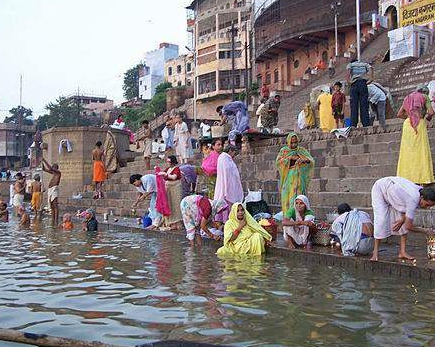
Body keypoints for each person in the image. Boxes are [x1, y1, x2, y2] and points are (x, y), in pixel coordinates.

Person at [370, 176, 435, 261]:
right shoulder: (413, 199)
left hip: (394, 194)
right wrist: (426, 231)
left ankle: (402, 252)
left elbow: (405, 205)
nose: (426, 208)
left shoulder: (420, 192)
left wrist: (402, 220)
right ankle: (375, 253)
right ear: (422, 197)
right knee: (381, 220)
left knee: (402, 221)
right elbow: (408, 226)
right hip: (380, 189)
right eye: (426, 205)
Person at [396, 84, 435, 185]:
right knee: (421, 151)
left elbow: (399, 114)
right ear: (425, 92)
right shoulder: (424, 97)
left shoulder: (408, 98)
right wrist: (426, 119)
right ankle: (422, 177)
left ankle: (407, 177)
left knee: (407, 151)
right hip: (419, 125)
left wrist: (411, 117)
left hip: (408, 125)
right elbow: (431, 112)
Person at [276, 132, 314, 217]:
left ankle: (299, 217)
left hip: (299, 178)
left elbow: (310, 160)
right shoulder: (284, 151)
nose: (294, 144)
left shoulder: (301, 150)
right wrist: (290, 158)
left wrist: (303, 160)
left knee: (298, 197)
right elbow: (278, 162)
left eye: (295, 142)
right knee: (288, 197)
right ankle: (288, 217)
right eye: (292, 142)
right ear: (288, 142)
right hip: (288, 178)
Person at [214, 145, 244, 222]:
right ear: (230, 150)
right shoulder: (224, 158)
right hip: (227, 187)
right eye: (234, 153)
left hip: (227, 186)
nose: (234, 155)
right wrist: (226, 189)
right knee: (227, 206)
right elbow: (227, 174)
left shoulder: (225, 158)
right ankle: (226, 223)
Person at [157, 155, 183, 230]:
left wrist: (165, 174)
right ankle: (171, 222)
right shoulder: (168, 169)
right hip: (168, 187)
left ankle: (177, 221)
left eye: (169, 161)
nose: (168, 163)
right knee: (169, 203)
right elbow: (162, 175)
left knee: (176, 203)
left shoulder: (176, 169)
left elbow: (174, 177)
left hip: (175, 187)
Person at [346, 59, 373, 127]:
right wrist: (371, 79)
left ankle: (353, 124)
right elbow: (371, 68)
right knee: (364, 104)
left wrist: (349, 81)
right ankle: (366, 124)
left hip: (354, 84)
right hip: (363, 84)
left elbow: (348, 71)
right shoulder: (364, 64)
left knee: (354, 105)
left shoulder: (351, 64)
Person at [42, 157, 61, 226]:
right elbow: (44, 169)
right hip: (50, 190)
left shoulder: (59, 173)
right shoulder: (53, 173)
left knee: (55, 204)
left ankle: (56, 220)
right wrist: (42, 163)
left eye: (54, 168)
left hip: (54, 189)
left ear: (56, 168)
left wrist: (44, 160)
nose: (52, 169)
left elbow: (50, 168)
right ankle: (53, 219)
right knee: (51, 205)